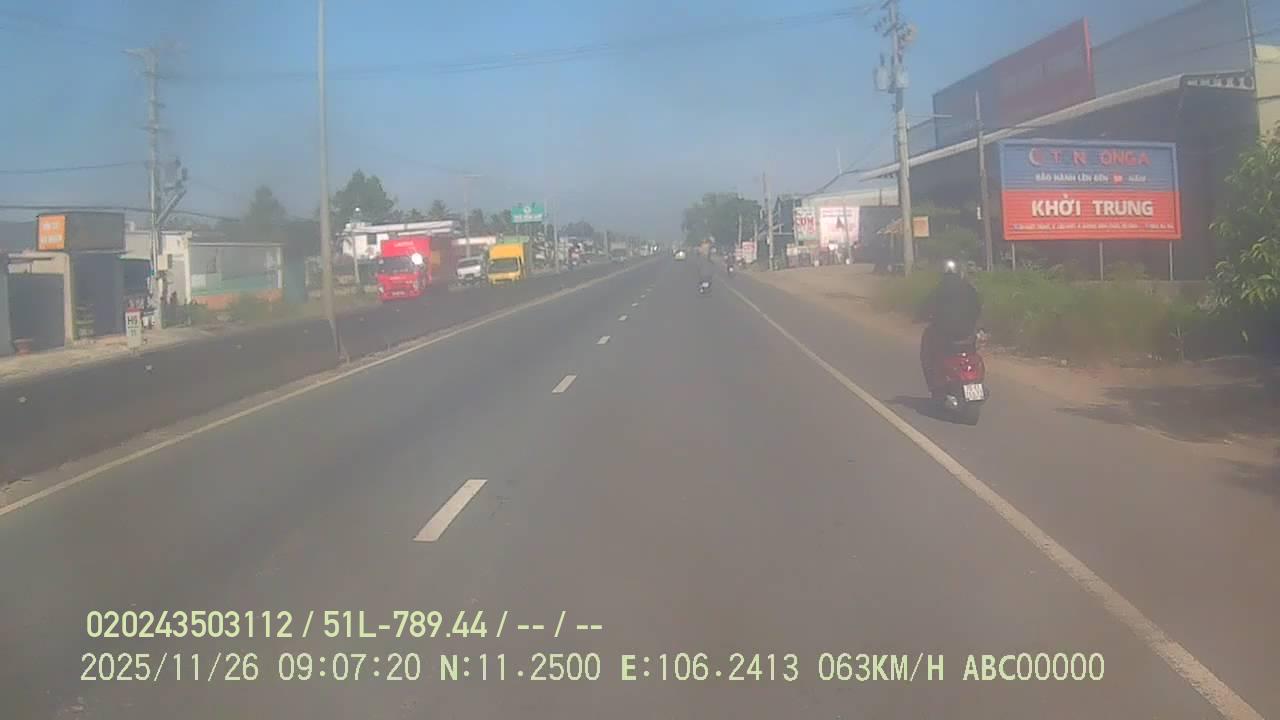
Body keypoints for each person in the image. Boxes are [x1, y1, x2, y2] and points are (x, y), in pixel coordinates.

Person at [918, 260, 981, 389]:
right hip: (968, 333)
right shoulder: (969, 288)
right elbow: (978, 307)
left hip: (945, 334)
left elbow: (926, 306)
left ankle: (935, 383)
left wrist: (919, 316)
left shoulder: (939, 289)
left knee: (929, 353)